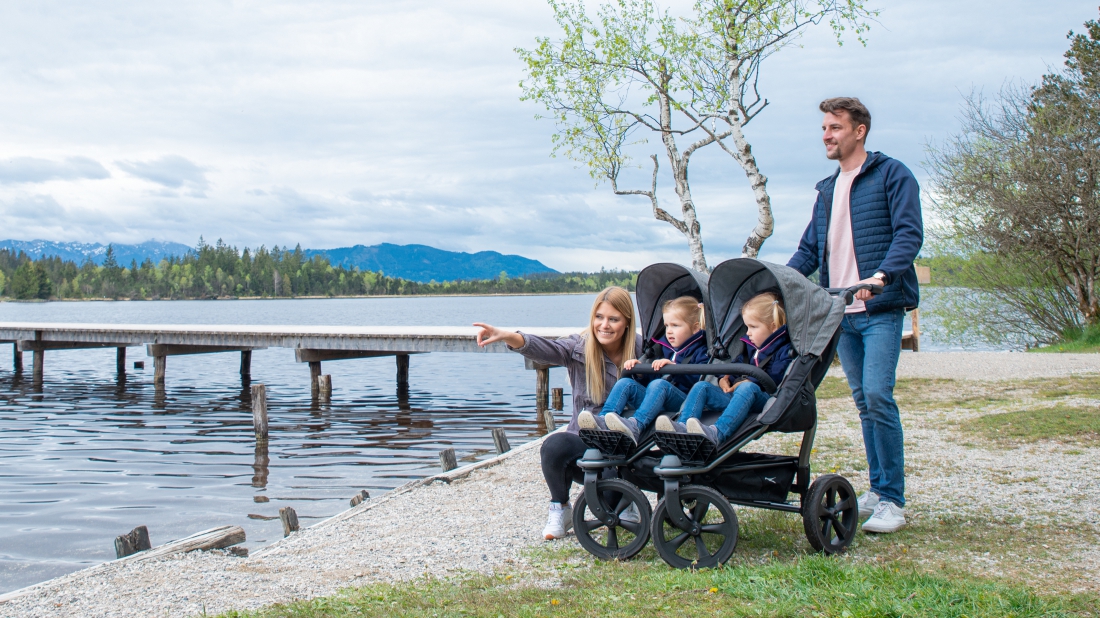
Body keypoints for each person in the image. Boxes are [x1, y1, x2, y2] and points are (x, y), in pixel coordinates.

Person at [787, 97, 923, 534]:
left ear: (859, 130)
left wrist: (881, 275)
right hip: (841, 312)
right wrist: (772, 283)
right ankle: (879, 492)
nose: (826, 135)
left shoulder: (891, 175)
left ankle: (894, 502)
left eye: (834, 128)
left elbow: (908, 233)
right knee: (865, 402)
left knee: (879, 396)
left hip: (880, 307)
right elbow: (810, 250)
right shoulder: (827, 190)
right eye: (824, 128)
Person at [474, 286, 642, 540]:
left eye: (613, 319)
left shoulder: (643, 349)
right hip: (587, 440)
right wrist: (508, 335)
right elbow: (545, 349)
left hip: (626, 447)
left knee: (610, 501)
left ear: (627, 322)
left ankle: (626, 499)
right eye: (599, 317)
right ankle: (560, 507)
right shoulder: (579, 347)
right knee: (553, 446)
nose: (604, 325)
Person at [660, 291, 792, 445]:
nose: (748, 333)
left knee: (747, 388)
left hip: (763, 399)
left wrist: (747, 381)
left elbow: (775, 377)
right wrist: (724, 378)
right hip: (735, 395)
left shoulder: (784, 350)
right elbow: (734, 365)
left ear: (773, 327)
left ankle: (717, 432)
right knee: (702, 386)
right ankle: (682, 428)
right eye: (747, 327)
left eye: (753, 327)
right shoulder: (750, 348)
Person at [577, 296, 708, 444]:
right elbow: (652, 384)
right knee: (625, 382)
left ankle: (636, 425)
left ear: (695, 328)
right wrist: (640, 372)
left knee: (660, 385)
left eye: (675, 326)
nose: (669, 331)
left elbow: (700, 382)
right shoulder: (667, 351)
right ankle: (602, 421)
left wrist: (676, 370)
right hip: (659, 399)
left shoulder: (701, 352)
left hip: (685, 402)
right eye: (666, 326)